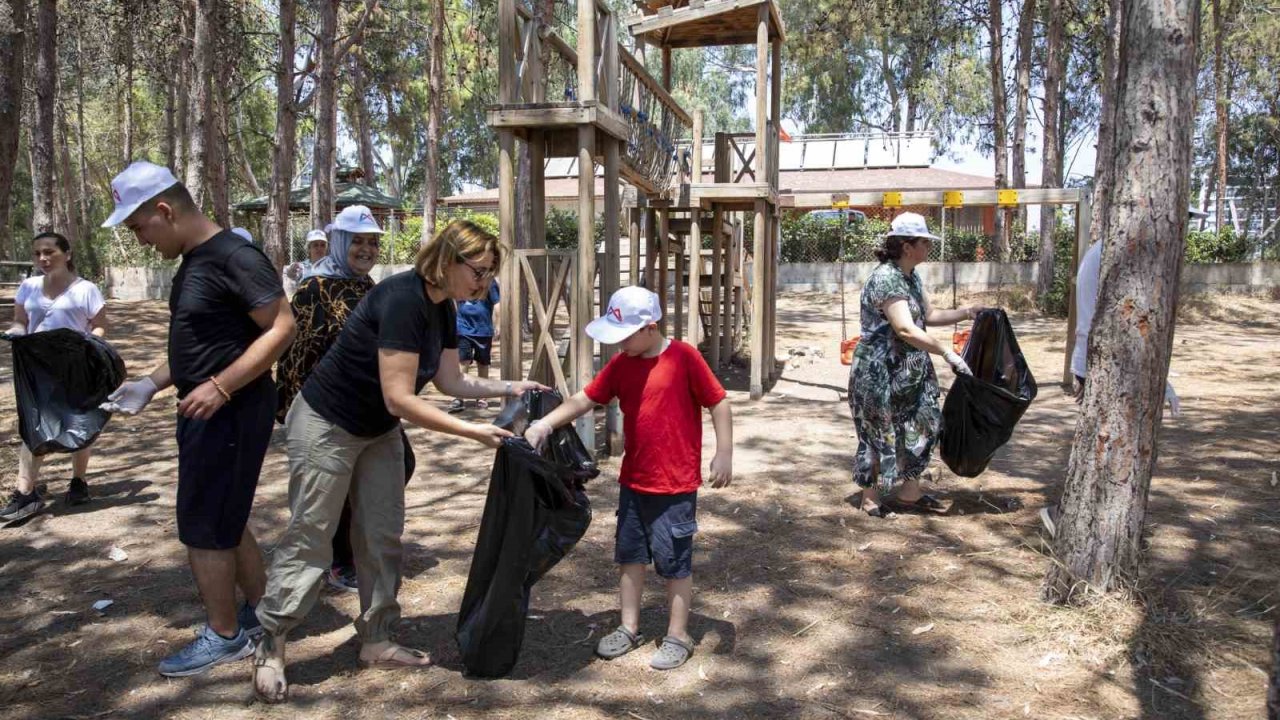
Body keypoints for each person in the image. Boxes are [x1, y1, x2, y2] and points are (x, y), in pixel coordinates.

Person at [251, 219, 546, 703]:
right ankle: (272, 642)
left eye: (491, 273)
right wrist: (473, 432)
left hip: (376, 430)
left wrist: (510, 386)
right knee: (313, 533)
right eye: (478, 271)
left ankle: (377, 639)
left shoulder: (443, 308)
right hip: (328, 422)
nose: (484, 283)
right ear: (447, 260)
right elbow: (400, 399)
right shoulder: (403, 299)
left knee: (382, 535)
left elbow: (451, 383)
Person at [99, 161, 296, 677]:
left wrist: (222, 386)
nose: (139, 238)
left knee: (204, 524)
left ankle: (225, 635)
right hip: (207, 405)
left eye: (139, 226)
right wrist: (150, 383)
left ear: (165, 210)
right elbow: (206, 344)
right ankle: (258, 612)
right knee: (224, 515)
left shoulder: (234, 255)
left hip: (230, 411)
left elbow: (282, 326)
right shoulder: (195, 260)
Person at [524, 286, 733, 671]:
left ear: (650, 327)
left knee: (675, 563)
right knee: (630, 557)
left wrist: (724, 452)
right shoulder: (622, 364)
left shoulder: (684, 357)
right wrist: (545, 424)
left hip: (675, 486)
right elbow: (585, 399)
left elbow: (718, 401)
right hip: (633, 482)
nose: (617, 345)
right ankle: (628, 627)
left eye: (623, 336)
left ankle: (677, 634)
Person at [273, 204, 402, 594]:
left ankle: (347, 558)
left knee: (365, 491)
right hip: (323, 413)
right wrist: (296, 414)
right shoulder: (315, 289)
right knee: (325, 498)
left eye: (372, 243)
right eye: (357, 242)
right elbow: (295, 357)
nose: (366, 250)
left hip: (366, 410)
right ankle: (331, 565)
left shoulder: (369, 287)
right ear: (340, 243)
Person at [1040, 234, 1183, 537]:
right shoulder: (1124, 252)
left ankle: (1085, 519)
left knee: (1108, 444)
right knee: (1106, 446)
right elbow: (1130, 325)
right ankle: (1068, 514)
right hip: (1105, 363)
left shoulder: (1119, 249)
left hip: (1100, 360)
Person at [848, 212, 978, 518]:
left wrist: (968, 312)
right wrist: (947, 352)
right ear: (907, 246)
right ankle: (871, 499)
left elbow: (927, 316)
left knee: (925, 422)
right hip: (880, 371)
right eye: (924, 242)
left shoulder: (911, 276)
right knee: (879, 430)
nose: (928, 248)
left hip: (910, 369)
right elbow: (905, 329)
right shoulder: (886, 278)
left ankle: (910, 493)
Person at [0, 232, 109, 524]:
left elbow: (99, 327)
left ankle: (78, 483)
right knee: (32, 426)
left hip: (75, 366)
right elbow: (21, 322)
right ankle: (25, 493)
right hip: (37, 367)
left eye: (49, 252)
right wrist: (16, 333)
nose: (43, 259)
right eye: (37, 254)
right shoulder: (28, 287)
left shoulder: (86, 289)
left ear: (67, 254)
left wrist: (87, 346)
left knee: (79, 423)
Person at [448, 279, 500, 413]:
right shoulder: (462, 276)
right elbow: (452, 299)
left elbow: (497, 303)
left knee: (482, 363)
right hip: (463, 329)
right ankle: (458, 397)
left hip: (483, 330)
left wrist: (498, 324)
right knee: (463, 361)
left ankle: (482, 396)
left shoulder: (489, 281)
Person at [283, 229, 329, 296]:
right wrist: (291, 272)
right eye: (315, 245)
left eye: (322, 245)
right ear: (309, 248)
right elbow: (290, 275)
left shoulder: (332, 267)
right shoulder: (302, 268)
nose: (319, 248)